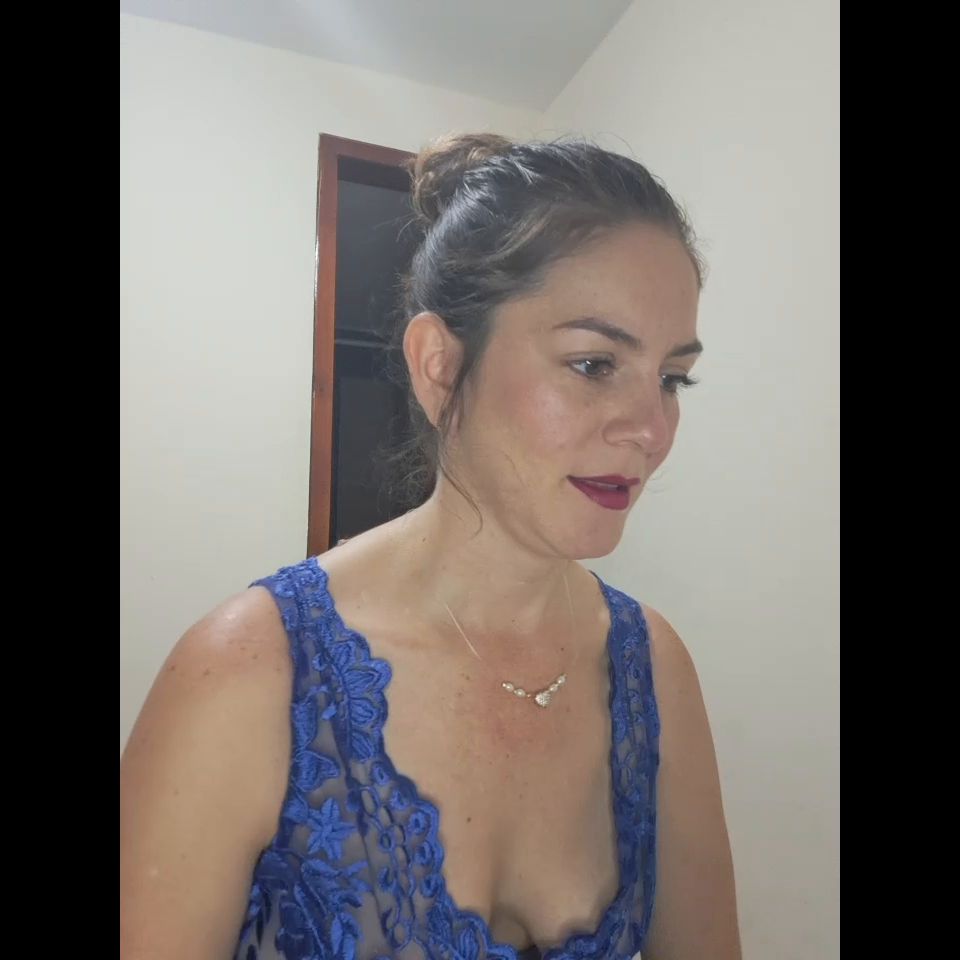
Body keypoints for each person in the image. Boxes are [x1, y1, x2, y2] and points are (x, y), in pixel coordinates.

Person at [120, 133, 741, 960]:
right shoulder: (248, 671)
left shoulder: (653, 669)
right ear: (440, 366)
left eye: (671, 378)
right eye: (594, 364)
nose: (651, 430)